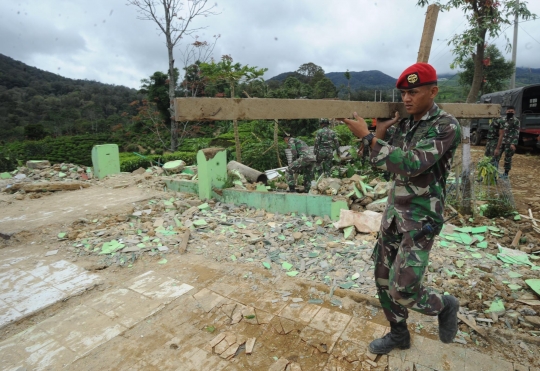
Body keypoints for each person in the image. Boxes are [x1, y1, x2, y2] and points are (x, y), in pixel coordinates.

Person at [340, 62, 461, 354]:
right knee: (382, 277)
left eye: (414, 92)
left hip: (421, 218)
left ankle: (444, 304)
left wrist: (369, 138)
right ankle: (398, 334)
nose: (407, 98)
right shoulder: (405, 125)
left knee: (405, 289)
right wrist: (378, 135)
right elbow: (381, 163)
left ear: (433, 91)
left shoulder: (446, 126)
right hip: (394, 215)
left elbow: (411, 164)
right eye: (403, 93)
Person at [494, 106, 520, 178]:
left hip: (509, 143)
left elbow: (516, 132)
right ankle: (494, 172)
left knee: (508, 158)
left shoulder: (516, 121)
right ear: (506, 111)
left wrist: (513, 143)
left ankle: (505, 174)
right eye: (509, 111)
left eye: (512, 111)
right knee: (496, 157)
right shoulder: (502, 119)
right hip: (501, 142)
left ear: (514, 112)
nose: (510, 113)